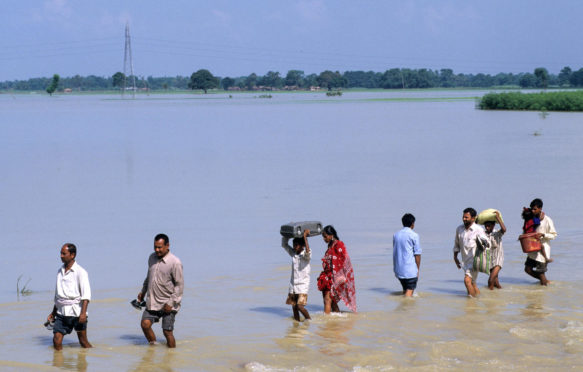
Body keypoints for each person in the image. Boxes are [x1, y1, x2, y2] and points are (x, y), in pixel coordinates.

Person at [137, 233, 184, 348]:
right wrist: (142, 291)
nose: (157, 250)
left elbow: (179, 285)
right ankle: (153, 348)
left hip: (168, 303)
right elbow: (149, 277)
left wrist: (171, 303)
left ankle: (171, 356)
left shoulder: (175, 262)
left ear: (167, 246)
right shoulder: (151, 258)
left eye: (160, 247)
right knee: (145, 324)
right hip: (153, 301)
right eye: (155, 247)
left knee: (167, 332)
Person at [46, 243, 92, 351]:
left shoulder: (81, 272)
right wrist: (53, 313)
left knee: (83, 342)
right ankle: (58, 364)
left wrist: (83, 314)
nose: (61, 256)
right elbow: (58, 296)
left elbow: (86, 296)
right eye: (60, 253)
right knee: (56, 339)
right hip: (61, 313)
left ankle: (93, 360)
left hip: (77, 312)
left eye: (64, 253)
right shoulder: (59, 272)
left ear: (72, 255)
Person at [317, 225, 357, 313]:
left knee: (327, 300)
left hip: (334, 276)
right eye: (323, 237)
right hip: (327, 275)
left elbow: (345, 259)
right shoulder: (330, 245)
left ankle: (326, 323)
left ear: (331, 235)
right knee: (332, 301)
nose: (324, 239)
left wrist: (341, 275)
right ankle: (337, 321)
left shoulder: (339, 244)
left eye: (325, 236)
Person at [453, 208, 489, 297]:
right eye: (463, 217)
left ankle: (471, 304)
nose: (464, 219)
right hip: (465, 260)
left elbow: (487, 243)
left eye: (466, 217)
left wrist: (483, 243)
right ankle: (478, 299)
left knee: (467, 281)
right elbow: (456, 244)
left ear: (473, 218)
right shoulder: (459, 229)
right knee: (473, 283)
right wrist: (455, 257)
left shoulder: (478, 229)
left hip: (474, 261)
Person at [524, 198, 557, 286]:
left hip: (543, 252)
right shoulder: (531, 219)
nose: (533, 211)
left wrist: (543, 235)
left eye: (535, 209)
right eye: (532, 209)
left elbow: (554, 235)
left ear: (540, 208)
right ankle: (545, 282)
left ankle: (543, 291)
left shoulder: (547, 220)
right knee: (527, 269)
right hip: (532, 249)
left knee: (541, 273)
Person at [282, 229, 312, 321]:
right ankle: (297, 324)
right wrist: (286, 235)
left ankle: (308, 320)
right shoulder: (294, 254)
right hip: (293, 285)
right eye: (294, 245)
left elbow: (307, 251)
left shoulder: (305, 256)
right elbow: (284, 245)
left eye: (296, 245)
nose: (294, 247)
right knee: (294, 307)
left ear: (302, 246)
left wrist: (305, 237)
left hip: (303, 285)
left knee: (300, 306)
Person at [392, 213, 421, 297]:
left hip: (399, 269)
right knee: (408, 294)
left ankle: (403, 308)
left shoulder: (396, 235)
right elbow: (417, 254)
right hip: (410, 270)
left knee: (405, 290)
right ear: (412, 224)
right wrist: (417, 269)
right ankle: (405, 309)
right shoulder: (414, 235)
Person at [484, 211, 506, 290]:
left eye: (489, 226)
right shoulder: (484, 234)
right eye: (486, 226)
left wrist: (498, 218)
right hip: (489, 259)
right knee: (496, 283)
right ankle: (498, 296)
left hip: (498, 259)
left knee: (490, 280)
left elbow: (504, 229)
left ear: (493, 225)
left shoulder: (497, 233)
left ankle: (490, 300)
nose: (487, 228)